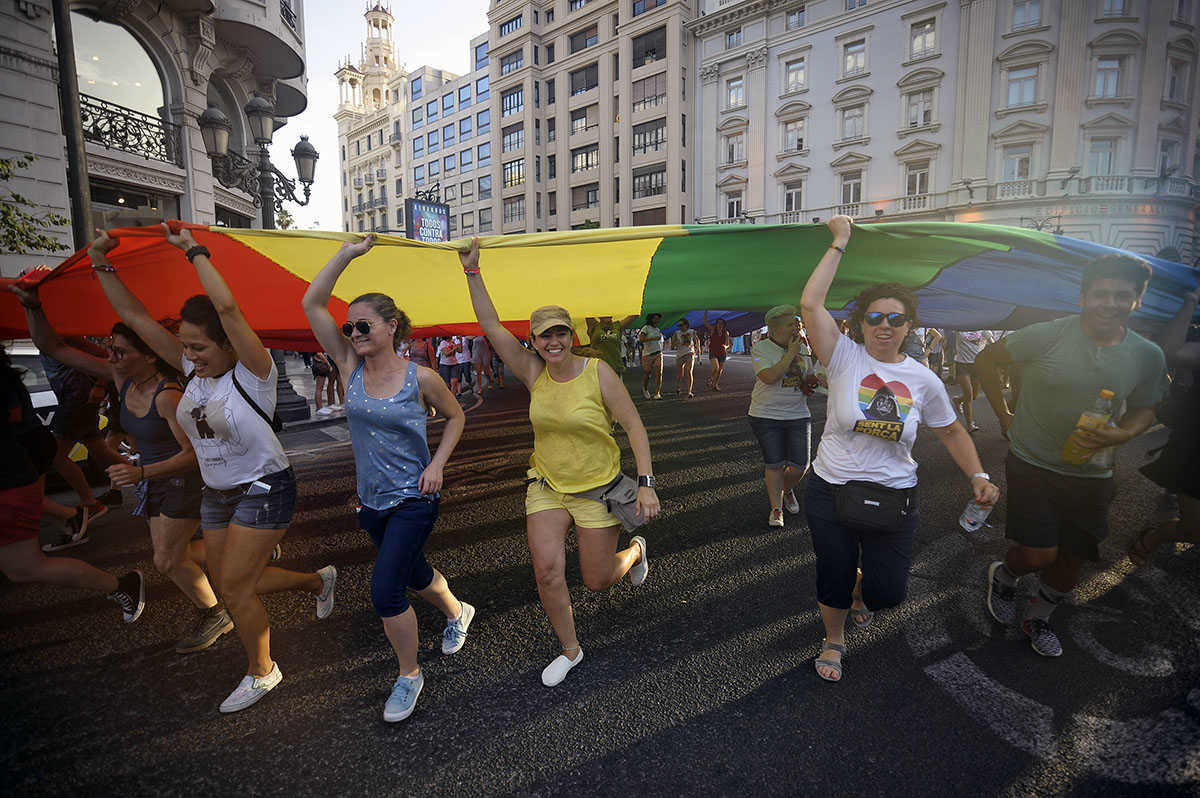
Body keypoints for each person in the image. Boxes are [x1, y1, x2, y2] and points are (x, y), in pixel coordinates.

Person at [88, 225, 338, 712]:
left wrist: (194, 252)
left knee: (236, 588)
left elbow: (227, 309)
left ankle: (262, 671)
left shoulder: (255, 371)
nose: (190, 355)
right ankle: (316, 580)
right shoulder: (188, 372)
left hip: (265, 487)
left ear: (228, 344)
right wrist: (102, 264)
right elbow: (134, 317)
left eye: (199, 347)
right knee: (231, 584)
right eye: (184, 346)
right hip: (217, 493)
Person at [800, 216, 999, 682]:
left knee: (888, 592)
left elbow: (950, 431)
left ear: (909, 325)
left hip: (893, 494)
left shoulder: (923, 379)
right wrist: (840, 241)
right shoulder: (843, 356)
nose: (884, 326)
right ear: (859, 323)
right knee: (834, 568)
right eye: (874, 316)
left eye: (895, 318)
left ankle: (860, 593)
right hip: (831, 487)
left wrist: (979, 475)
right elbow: (811, 303)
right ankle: (834, 639)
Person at [459, 238, 658, 687]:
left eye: (560, 332)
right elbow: (490, 326)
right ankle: (571, 649)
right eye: (543, 334)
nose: (553, 341)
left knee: (598, 580)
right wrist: (473, 271)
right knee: (547, 572)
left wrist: (645, 482)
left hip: (598, 490)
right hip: (547, 486)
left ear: (573, 336)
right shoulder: (533, 372)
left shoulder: (597, 373)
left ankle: (635, 551)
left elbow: (635, 427)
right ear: (533, 341)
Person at [303, 234, 475, 722]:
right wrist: (347, 255)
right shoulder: (349, 366)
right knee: (415, 572)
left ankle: (408, 676)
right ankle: (458, 612)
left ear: (391, 326)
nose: (354, 332)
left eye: (364, 324)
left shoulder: (420, 377)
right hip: (371, 501)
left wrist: (437, 464)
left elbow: (457, 417)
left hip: (414, 498)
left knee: (386, 591)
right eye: (349, 326)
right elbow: (312, 302)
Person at [13, 284, 230, 654]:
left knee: (166, 559)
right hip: (154, 479)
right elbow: (54, 348)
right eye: (110, 348)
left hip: (181, 479)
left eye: (119, 350)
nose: (110, 356)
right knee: (173, 553)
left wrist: (140, 473)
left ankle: (215, 612)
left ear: (149, 356)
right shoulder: (122, 378)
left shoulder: (169, 396)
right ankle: (239, 549)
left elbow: (194, 453)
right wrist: (33, 307)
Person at [976, 253, 1169, 658]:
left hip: (1094, 473)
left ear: (1138, 299)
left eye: (1123, 295)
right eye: (1101, 294)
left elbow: (1147, 405)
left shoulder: (1147, 355)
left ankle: (1039, 617)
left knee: (1073, 559)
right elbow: (985, 360)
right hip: (1033, 462)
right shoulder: (1047, 334)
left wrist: (1125, 432)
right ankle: (1006, 575)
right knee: (1039, 553)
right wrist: (1004, 413)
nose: (1111, 303)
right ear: (1082, 297)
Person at [0, 342, 145, 624]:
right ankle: (85, 507)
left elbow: (82, 349)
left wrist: (101, 386)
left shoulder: (55, 330)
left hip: (75, 401)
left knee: (69, 454)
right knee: (98, 448)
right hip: (69, 408)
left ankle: (90, 506)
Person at [1129, 287, 1199, 565]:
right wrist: (1191, 300)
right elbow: (1172, 352)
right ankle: (1155, 537)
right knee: (1194, 530)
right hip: (1195, 452)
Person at [749, 305, 816, 528]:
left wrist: (813, 382)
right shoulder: (761, 348)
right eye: (791, 324)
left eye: (798, 323)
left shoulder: (803, 347)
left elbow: (805, 379)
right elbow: (768, 377)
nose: (797, 327)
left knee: (800, 466)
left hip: (798, 413)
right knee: (775, 464)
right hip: (766, 415)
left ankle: (786, 489)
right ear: (774, 330)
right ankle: (776, 508)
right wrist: (790, 354)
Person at [952, 330, 993, 432]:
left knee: (973, 395)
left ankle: (958, 400)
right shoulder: (960, 328)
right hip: (962, 364)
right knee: (968, 394)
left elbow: (993, 344)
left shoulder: (983, 329)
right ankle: (970, 424)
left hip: (977, 365)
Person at [573, 315, 638, 375]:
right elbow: (587, 311)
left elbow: (633, 316)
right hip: (598, 367)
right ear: (599, 316)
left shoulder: (617, 326)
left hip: (615, 367)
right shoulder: (594, 326)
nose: (608, 315)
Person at [671, 318, 699, 398]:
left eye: (681, 325)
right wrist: (677, 343)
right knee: (680, 374)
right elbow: (672, 346)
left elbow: (697, 340)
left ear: (686, 325)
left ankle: (689, 391)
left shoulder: (692, 331)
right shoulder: (676, 333)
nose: (680, 327)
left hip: (689, 353)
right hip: (680, 355)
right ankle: (678, 387)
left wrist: (698, 349)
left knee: (689, 371)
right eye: (678, 325)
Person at [639, 313, 664, 400]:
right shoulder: (646, 328)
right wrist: (653, 339)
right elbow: (641, 339)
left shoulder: (657, 329)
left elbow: (659, 341)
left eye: (658, 319)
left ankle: (657, 393)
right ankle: (645, 388)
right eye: (655, 318)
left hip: (658, 353)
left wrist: (660, 347)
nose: (657, 320)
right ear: (651, 319)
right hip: (648, 354)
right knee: (647, 373)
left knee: (659, 373)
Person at [704, 314, 732, 391]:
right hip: (713, 351)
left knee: (720, 370)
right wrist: (706, 310)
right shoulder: (713, 330)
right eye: (718, 323)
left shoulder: (726, 333)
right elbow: (705, 323)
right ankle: (710, 379)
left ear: (723, 325)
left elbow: (727, 344)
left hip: (722, 353)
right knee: (716, 368)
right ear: (716, 324)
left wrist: (725, 347)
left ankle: (715, 384)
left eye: (721, 323)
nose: (719, 325)